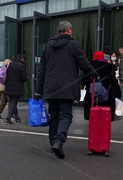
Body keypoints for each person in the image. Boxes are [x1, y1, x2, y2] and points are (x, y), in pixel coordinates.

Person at [34, 21, 98, 159]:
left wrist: (38, 91)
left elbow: (42, 71)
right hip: (67, 88)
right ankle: (58, 141)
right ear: (69, 30)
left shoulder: (46, 47)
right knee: (66, 115)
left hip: (51, 88)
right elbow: (84, 64)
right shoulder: (74, 45)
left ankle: (53, 142)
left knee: (54, 116)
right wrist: (94, 74)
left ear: (58, 31)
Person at [82, 51, 122, 122]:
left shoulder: (89, 68)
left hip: (92, 96)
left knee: (93, 118)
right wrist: (118, 94)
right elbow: (114, 82)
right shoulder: (109, 68)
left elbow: (84, 81)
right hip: (107, 96)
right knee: (105, 118)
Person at [4, 54, 27, 124]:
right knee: (13, 103)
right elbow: (24, 78)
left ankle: (16, 117)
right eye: (24, 59)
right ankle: (9, 117)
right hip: (16, 87)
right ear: (22, 59)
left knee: (12, 102)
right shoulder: (21, 66)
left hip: (8, 86)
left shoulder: (10, 64)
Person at [0, 57, 13, 121]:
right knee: (10, 102)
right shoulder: (8, 70)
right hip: (7, 88)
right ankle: (10, 115)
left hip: (2, 88)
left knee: (3, 101)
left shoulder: (2, 69)